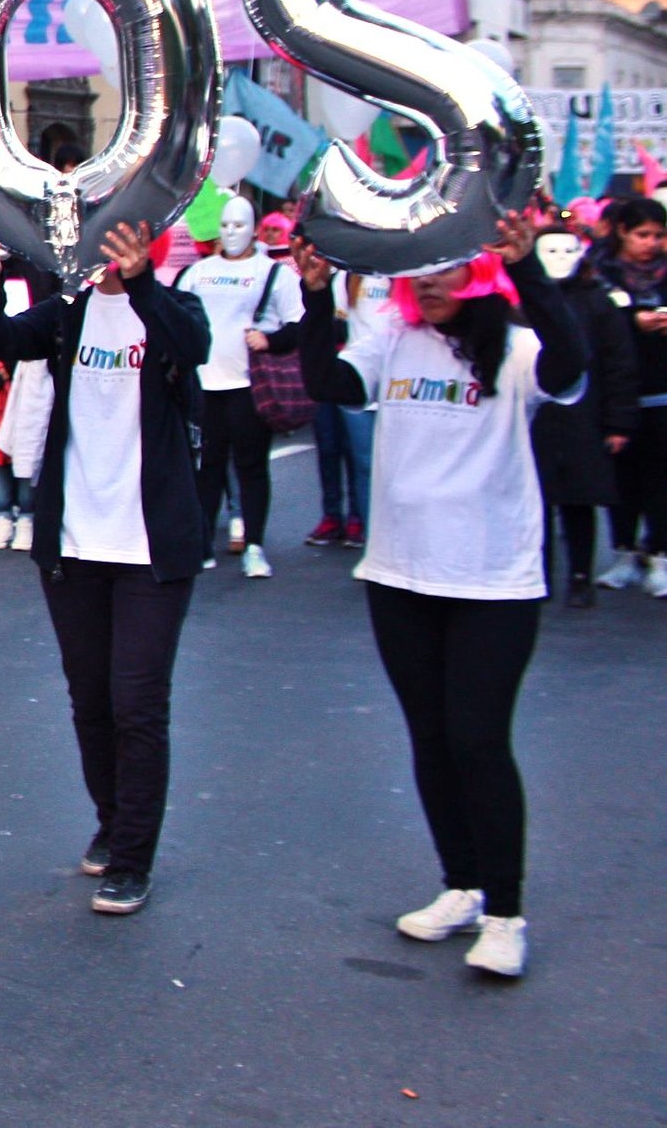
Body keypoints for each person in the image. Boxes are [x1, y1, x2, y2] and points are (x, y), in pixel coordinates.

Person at [294, 216, 581, 977]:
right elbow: (329, 383)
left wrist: (535, 274)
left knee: (478, 739)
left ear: (482, 271)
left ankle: (506, 912)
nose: (432, 279)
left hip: (493, 580)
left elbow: (574, 366)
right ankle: (461, 884)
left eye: (450, 267)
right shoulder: (393, 336)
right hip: (399, 572)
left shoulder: (517, 350)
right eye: (421, 267)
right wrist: (315, 294)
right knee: (430, 735)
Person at [0, 218, 211, 917]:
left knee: (138, 703)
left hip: (149, 545)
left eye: (120, 244)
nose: (104, 256)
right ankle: (111, 820)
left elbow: (192, 347)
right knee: (91, 699)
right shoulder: (68, 314)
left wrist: (141, 284)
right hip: (73, 541)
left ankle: (133, 859)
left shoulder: (169, 308)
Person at [174, 195, 301, 577]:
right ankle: (202, 545)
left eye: (240, 225)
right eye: (226, 225)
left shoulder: (274, 273)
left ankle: (255, 546)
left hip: (250, 385)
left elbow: (298, 324)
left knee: (251, 467)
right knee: (206, 469)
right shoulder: (198, 271)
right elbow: (176, 316)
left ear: (255, 229)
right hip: (204, 385)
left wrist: (271, 340)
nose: (231, 233)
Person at [527, 229, 636, 608]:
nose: (559, 257)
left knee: (579, 500)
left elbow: (619, 363)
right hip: (533, 417)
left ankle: (579, 576)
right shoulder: (518, 300)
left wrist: (618, 422)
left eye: (567, 249)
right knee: (532, 500)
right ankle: (535, 574)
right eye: (550, 249)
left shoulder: (597, 303)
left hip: (583, 417)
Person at [591, 197, 667, 595]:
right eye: (642, 235)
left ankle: (659, 554)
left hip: (661, 391)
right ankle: (623, 554)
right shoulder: (600, 273)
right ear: (622, 232)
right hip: (615, 392)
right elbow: (589, 322)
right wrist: (629, 320)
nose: (651, 244)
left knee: (661, 478)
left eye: (658, 235)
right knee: (620, 478)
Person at [304, 269, 392, 549]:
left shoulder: (405, 275)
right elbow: (335, 321)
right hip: (363, 377)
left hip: (399, 381)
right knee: (364, 464)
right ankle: (371, 541)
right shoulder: (348, 277)